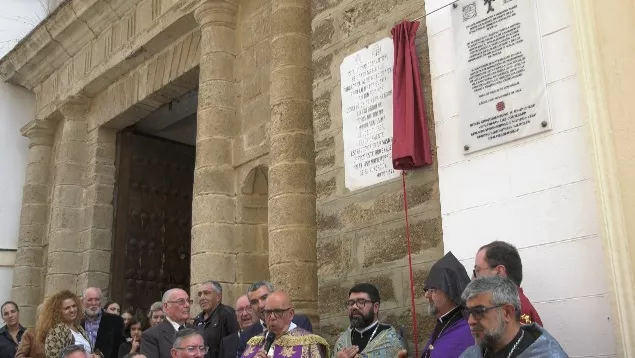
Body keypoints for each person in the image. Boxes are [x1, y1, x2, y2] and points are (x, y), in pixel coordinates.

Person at [459, 276, 567, 358]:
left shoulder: (548, 354)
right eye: (469, 313)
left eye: (478, 312)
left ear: (507, 313)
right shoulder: (470, 355)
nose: (470, 321)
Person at [472, 241, 542, 326]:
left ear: (499, 272)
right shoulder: (513, 304)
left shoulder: (515, 310)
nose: (473, 279)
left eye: (477, 270)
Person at [242, 292, 328, 358]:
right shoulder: (254, 344)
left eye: (278, 311)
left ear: (291, 314)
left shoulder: (309, 343)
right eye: (268, 312)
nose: (272, 317)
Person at [237, 281, 312, 356]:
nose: (261, 305)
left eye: (264, 298)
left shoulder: (301, 323)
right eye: (254, 302)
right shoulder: (248, 337)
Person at [421, 252, 474, 358]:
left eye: (433, 290)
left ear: (450, 292)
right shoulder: (443, 322)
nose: (427, 295)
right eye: (427, 290)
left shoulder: (468, 330)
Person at [333, 284, 405, 358]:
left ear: (375, 307)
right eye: (351, 303)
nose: (354, 307)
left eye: (361, 302)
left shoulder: (392, 339)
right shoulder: (341, 341)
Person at [35, 290, 96, 358]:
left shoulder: (79, 328)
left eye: (74, 306)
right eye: (67, 308)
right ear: (58, 312)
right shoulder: (55, 331)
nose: (72, 310)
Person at [141, 288, 193, 358]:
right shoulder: (151, 336)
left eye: (188, 301)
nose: (187, 305)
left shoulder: (197, 330)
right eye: (181, 301)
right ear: (166, 307)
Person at [194, 281, 239, 358]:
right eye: (200, 294)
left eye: (206, 293)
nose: (202, 297)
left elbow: (235, 344)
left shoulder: (227, 314)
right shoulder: (197, 319)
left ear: (218, 297)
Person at [82, 288, 125, 358]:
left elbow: (118, 349)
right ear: (83, 301)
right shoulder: (77, 322)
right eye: (90, 300)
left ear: (101, 301)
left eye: (97, 299)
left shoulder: (116, 321)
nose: (94, 303)